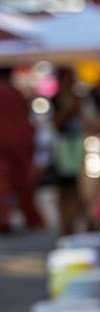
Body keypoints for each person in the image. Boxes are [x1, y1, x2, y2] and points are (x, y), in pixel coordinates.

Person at [0, 67, 43, 232]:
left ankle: (4, 219)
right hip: (20, 142)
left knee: (4, 184)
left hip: (9, 143)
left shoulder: (15, 93)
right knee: (25, 183)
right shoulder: (15, 93)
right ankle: (32, 218)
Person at [47, 67, 88, 235]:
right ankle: (66, 228)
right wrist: (68, 108)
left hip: (77, 146)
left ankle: (79, 226)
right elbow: (54, 124)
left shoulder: (79, 98)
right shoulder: (55, 100)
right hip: (63, 148)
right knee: (65, 191)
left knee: (79, 190)